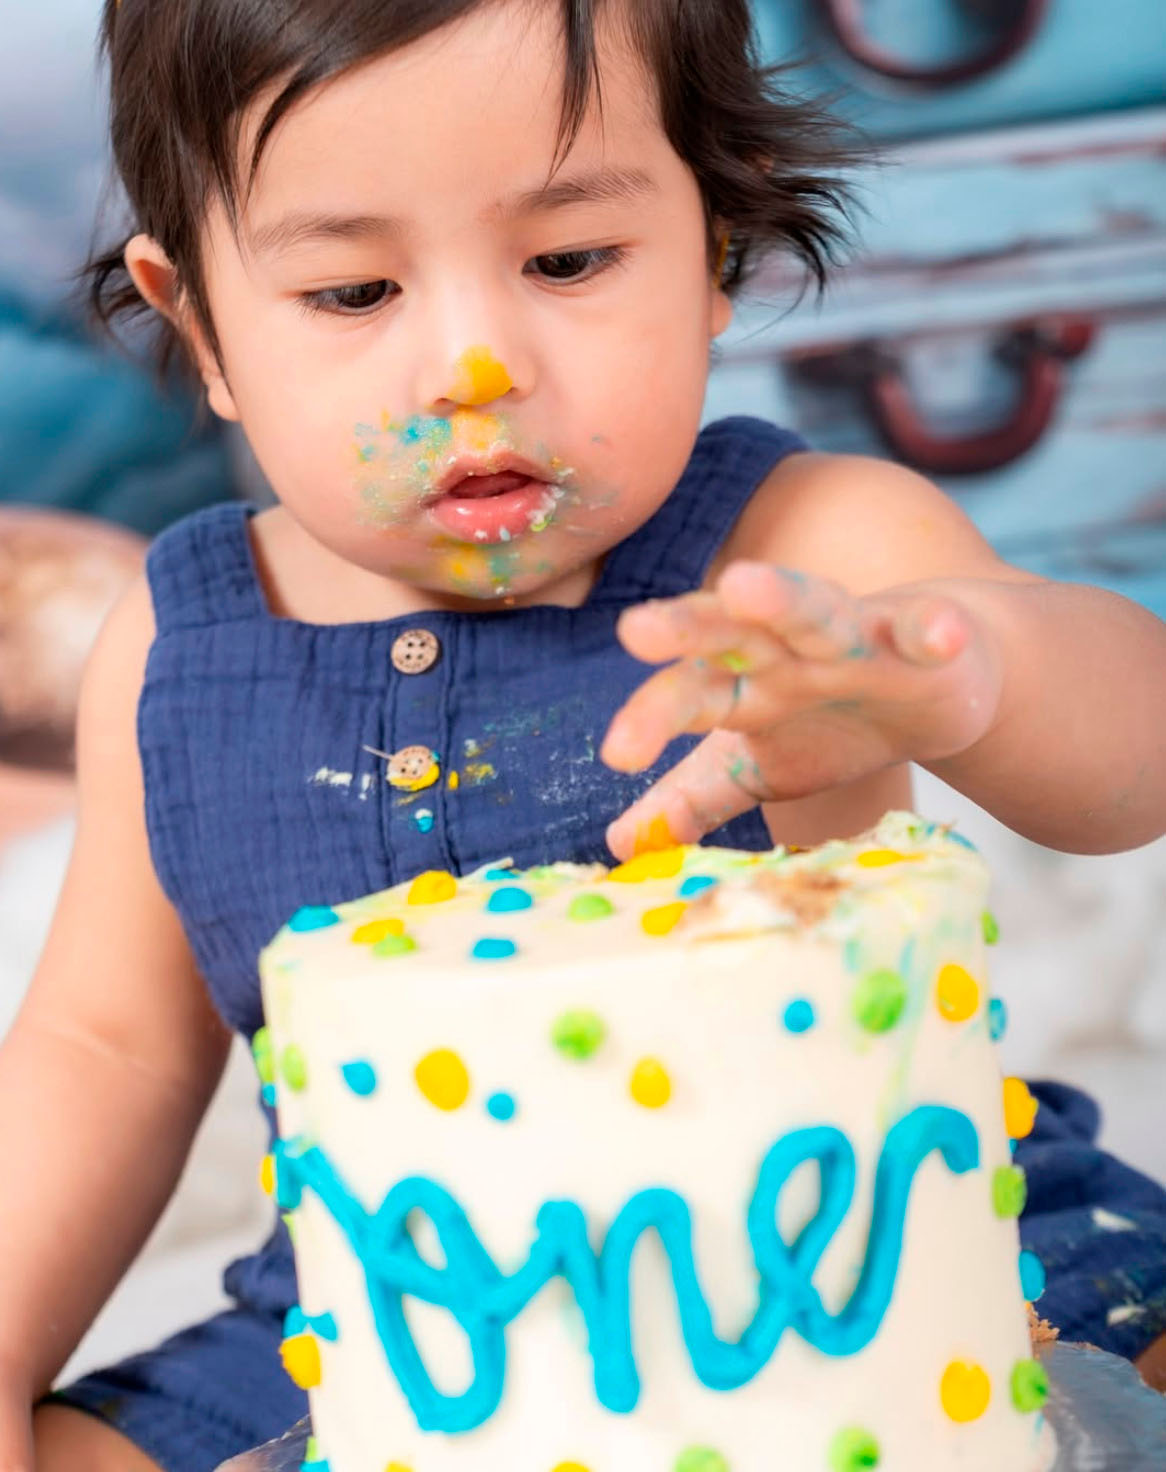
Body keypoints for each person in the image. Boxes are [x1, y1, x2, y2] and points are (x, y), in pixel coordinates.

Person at [1, 1, 1164, 1468]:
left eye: (567, 261)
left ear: (713, 252)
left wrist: (973, 676)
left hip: (887, 1257)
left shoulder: (807, 546)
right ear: (203, 328)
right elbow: (104, 1047)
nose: (474, 369)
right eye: (353, 291)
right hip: (395, 1308)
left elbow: (1133, 759)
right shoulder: (177, 650)